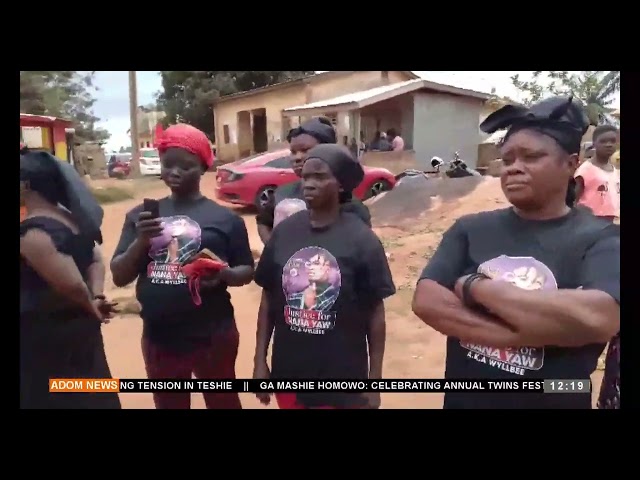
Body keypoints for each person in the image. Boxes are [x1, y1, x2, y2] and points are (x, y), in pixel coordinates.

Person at [412, 96, 620, 409]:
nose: (514, 169)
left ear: (571, 163)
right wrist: (521, 333)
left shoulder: (603, 238)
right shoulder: (470, 229)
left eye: (531, 157)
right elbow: (427, 300)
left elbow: (596, 317)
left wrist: (475, 286)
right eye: (508, 160)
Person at [110, 123, 255, 410]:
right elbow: (118, 275)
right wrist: (142, 240)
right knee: (169, 403)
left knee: (223, 401)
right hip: (159, 336)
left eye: (185, 166)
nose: (174, 172)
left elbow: (246, 270)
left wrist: (224, 273)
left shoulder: (226, 220)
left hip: (213, 335)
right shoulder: (141, 217)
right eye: (168, 165)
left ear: (203, 168)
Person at [253, 144, 396, 409]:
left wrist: (374, 382)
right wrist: (260, 362)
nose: (308, 183)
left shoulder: (362, 240)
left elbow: (375, 314)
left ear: (341, 185)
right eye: (305, 177)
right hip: (290, 372)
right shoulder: (284, 232)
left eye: (319, 177)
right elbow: (268, 299)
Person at [20, 150, 120, 409]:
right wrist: (96, 298)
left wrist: (90, 304)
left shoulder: (33, 232)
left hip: (49, 337)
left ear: (26, 185)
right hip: (81, 330)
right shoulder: (72, 219)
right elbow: (95, 259)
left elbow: (72, 284)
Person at [256, 117, 372, 245]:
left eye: (305, 150)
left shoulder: (352, 208)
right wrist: (274, 250)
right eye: (293, 152)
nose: (297, 157)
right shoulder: (282, 193)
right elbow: (263, 222)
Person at [574, 125, 620, 222]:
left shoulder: (614, 170)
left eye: (613, 141)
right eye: (603, 141)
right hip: (588, 220)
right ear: (594, 144)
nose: (609, 144)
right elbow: (574, 199)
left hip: (609, 221)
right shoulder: (586, 170)